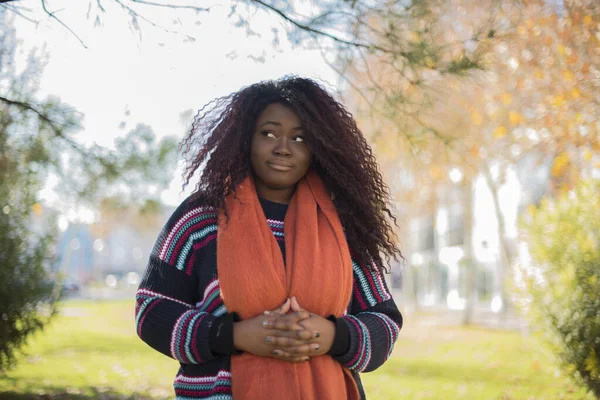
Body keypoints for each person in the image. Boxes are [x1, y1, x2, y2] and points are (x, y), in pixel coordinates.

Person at [135, 76, 403, 400]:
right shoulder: (202, 218)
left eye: (300, 138)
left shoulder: (342, 225)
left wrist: (332, 336)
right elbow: (151, 311)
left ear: (318, 147)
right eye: (269, 133)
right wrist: (233, 336)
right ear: (246, 138)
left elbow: (384, 321)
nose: (283, 148)